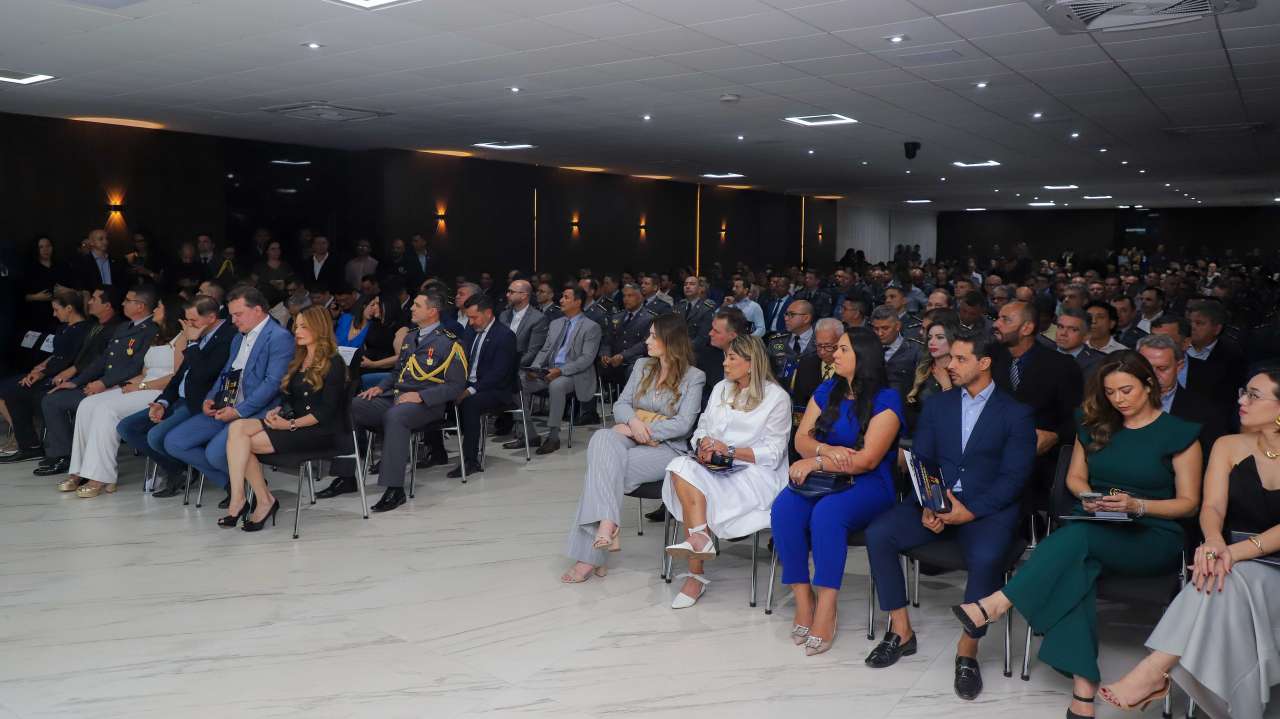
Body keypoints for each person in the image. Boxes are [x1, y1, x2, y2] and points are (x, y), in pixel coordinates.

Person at [950, 351, 1202, 718]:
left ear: (1149, 385)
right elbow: (1075, 478)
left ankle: (997, 603)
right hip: (1097, 523)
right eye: (1111, 392)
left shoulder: (1179, 434)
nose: (1119, 400)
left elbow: (1189, 504)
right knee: (1075, 570)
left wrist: (1137, 506)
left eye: (1127, 390)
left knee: (1073, 542)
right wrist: (1090, 499)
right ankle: (1083, 692)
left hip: (1152, 534)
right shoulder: (1093, 424)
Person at [863, 332, 1036, 703]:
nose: (949, 365)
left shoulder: (1016, 413)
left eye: (959, 359)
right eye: (950, 358)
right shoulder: (939, 406)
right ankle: (901, 631)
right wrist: (930, 502)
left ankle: (967, 650)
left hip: (987, 509)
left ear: (984, 363)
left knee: (987, 557)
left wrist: (969, 511)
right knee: (879, 534)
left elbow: (1014, 478)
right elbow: (923, 460)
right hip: (937, 501)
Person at [1099, 368, 1280, 719]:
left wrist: (1231, 553)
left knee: (1224, 576)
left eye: (1254, 395)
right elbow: (1212, 507)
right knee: (1223, 580)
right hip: (1232, 563)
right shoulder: (1228, 445)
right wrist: (1212, 542)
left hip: (1264, 566)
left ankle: (1154, 670)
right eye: (1244, 391)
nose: (1242, 400)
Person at [770, 328, 903, 655]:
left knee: (828, 513)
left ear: (863, 356)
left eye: (843, 349)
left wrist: (816, 462)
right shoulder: (828, 388)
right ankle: (804, 599)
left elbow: (866, 460)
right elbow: (801, 439)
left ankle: (827, 607)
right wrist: (825, 451)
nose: (835, 354)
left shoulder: (887, 398)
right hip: (826, 477)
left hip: (870, 483)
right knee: (784, 507)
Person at [561, 314, 705, 583]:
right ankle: (607, 526)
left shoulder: (694, 376)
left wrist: (639, 429)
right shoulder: (642, 365)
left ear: (670, 340)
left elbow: (684, 424)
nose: (646, 341)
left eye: (653, 336)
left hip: (668, 448)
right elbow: (621, 405)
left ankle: (592, 555)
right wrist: (634, 423)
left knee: (602, 472)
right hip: (633, 433)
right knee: (601, 438)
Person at [661, 334, 791, 608]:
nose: (725, 363)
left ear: (751, 363)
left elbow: (774, 453)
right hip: (717, 465)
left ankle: (695, 575)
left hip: (756, 474)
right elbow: (702, 427)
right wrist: (703, 445)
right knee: (679, 466)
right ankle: (700, 538)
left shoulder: (776, 398)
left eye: (732, 358)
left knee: (697, 490)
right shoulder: (721, 388)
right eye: (725, 357)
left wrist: (729, 451)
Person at [162, 286, 294, 506]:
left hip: (256, 410)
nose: (233, 320)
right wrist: (211, 397)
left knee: (215, 453)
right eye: (232, 315)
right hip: (226, 404)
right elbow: (226, 372)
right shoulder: (238, 338)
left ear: (258, 310)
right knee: (175, 442)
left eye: (238, 314)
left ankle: (252, 491)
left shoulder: (279, 337)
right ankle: (235, 484)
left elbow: (272, 384)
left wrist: (239, 411)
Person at [220, 305, 347, 531]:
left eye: (303, 326)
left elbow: (326, 412)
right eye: (296, 326)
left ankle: (258, 501)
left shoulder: (334, 362)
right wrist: (278, 411)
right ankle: (240, 498)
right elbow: (289, 397)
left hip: (320, 431)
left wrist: (290, 424)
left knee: (244, 443)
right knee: (238, 428)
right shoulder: (299, 359)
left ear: (319, 327)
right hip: (292, 423)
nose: (297, 331)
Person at [348, 292, 466, 512]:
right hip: (395, 397)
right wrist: (380, 387)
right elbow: (397, 372)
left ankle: (395, 488)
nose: (411, 308)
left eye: (417, 305)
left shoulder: (450, 343)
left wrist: (420, 396)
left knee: (396, 416)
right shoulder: (410, 337)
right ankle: (346, 476)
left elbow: (456, 386)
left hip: (426, 404)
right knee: (353, 405)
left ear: (432, 311)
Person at [61, 295, 183, 497]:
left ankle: (101, 476)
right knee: (88, 404)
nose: (155, 310)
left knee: (106, 410)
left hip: (160, 391)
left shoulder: (182, 338)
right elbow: (145, 371)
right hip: (144, 385)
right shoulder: (157, 337)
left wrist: (141, 386)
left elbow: (176, 376)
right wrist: (124, 385)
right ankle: (79, 470)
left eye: (159, 307)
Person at [36, 286, 161, 477]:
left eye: (128, 300)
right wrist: (77, 381)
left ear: (140, 306)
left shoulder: (151, 330)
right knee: (53, 398)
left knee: (70, 404)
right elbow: (103, 360)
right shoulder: (124, 327)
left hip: (124, 386)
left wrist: (103, 383)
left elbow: (135, 367)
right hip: (104, 383)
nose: (123, 303)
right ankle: (67, 456)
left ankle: (72, 459)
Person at [118, 295, 235, 497]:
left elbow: (204, 373)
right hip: (177, 398)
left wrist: (192, 343)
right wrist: (162, 402)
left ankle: (230, 482)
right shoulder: (198, 332)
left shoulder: (227, 336)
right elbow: (180, 374)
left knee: (157, 437)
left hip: (198, 402)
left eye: (193, 320)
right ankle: (179, 469)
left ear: (211, 317)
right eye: (186, 320)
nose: (188, 325)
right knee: (127, 427)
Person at [506, 286, 603, 456]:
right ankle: (528, 434)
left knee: (557, 385)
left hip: (574, 374)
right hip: (549, 370)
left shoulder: (591, 327)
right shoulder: (556, 323)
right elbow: (545, 350)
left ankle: (553, 437)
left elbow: (586, 359)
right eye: (562, 297)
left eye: (566, 297)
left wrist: (561, 370)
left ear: (578, 302)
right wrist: (535, 368)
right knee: (518, 381)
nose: (561, 300)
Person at [0, 290, 93, 462]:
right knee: (11, 389)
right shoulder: (63, 327)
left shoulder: (84, 330)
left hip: (66, 377)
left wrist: (41, 374)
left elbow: (69, 359)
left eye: (57, 310)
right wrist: (39, 368)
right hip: (50, 371)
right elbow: (56, 354)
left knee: (24, 393)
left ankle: (45, 446)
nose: (54, 314)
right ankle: (29, 445)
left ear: (69, 308)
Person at [452, 293, 518, 478]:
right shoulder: (471, 331)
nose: (471, 322)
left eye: (474, 317)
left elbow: (498, 374)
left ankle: (470, 460)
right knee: (436, 395)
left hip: (496, 389)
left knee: (470, 403)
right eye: (469, 318)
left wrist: (469, 390)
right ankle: (436, 451)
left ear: (488, 313)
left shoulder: (505, 336)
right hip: (470, 383)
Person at [1138, 333, 1229, 464]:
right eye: (1146, 368)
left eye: (1162, 368)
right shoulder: (1119, 401)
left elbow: (1213, 460)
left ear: (1179, 367)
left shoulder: (1204, 410)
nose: (1153, 375)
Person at [904, 314, 959, 431]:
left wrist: (947, 386)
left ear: (953, 340)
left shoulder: (962, 374)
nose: (932, 342)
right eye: (929, 337)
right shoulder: (921, 369)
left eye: (939, 337)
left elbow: (959, 415)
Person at [599, 284, 656, 387]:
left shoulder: (649, 318)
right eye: (624, 296)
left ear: (640, 298)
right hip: (614, 360)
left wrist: (623, 356)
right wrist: (605, 355)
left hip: (634, 361)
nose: (626, 299)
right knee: (598, 365)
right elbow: (607, 341)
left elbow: (644, 344)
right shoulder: (616, 317)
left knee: (632, 370)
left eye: (630, 296)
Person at [870, 305, 922, 398]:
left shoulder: (915, 351)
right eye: (876, 329)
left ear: (898, 326)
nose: (880, 333)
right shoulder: (868, 350)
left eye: (885, 328)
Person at [21, 235, 69, 334]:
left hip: (61, 312)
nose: (45, 250)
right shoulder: (29, 269)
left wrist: (65, 291)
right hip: (38, 314)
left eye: (48, 246)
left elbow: (73, 289)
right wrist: (36, 297)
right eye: (41, 247)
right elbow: (20, 295)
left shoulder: (62, 266)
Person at [1053, 306, 1105, 377]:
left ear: (1086, 336)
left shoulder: (1098, 363)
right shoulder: (1042, 351)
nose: (1063, 333)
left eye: (1073, 329)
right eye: (1060, 327)